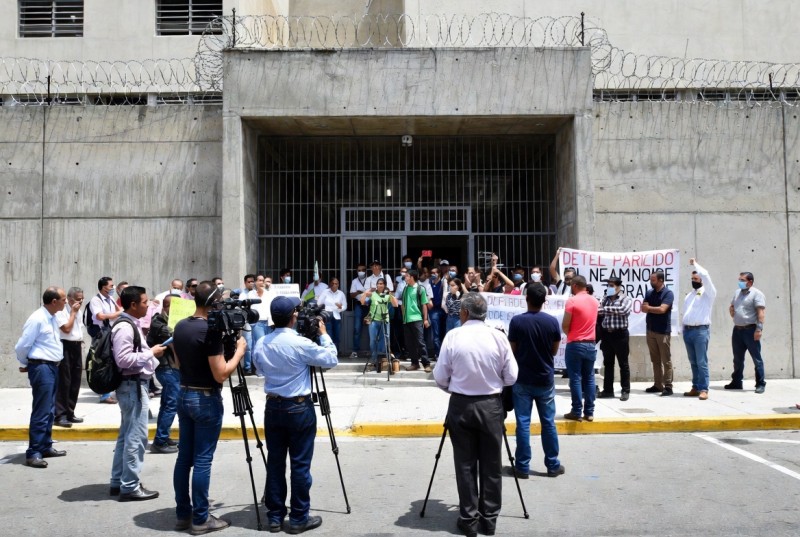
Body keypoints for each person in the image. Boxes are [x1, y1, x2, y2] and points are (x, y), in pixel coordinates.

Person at [433, 293, 518, 537]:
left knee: (465, 464)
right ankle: (488, 520)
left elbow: (440, 377)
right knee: (491, 464)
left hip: (461, 405)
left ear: (464, 313)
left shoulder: (453, 336)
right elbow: (512, 376)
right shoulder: (498, 337)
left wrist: (457, 388)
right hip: (490, 405)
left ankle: (468, 519)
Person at [253, 296, 339, 534]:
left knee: (275, 463)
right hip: (299, 408)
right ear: (293, 317)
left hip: (273, 408)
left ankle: (274, 516)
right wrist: (322, 333)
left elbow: (259, 371)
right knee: (300, 465)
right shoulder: (301, 343)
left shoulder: (261, 343)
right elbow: (331, 359)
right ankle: (299, 518)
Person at [172, 281, 246, 534]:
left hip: (184, 394)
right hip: (205, 398)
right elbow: (221, 374)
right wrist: (238, 352)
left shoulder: (181, 325)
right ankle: (201, 518)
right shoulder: (210, 331)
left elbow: (176, 361)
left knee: (184, 458)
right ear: (214, 302)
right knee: (202, 460)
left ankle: (184, 514)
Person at [109, 286, 166, 501]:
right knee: (136, 437)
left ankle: (118, 481)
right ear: (133, 305)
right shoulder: (125, 327)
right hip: (132, 386)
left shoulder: (129, 324)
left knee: (126, 435)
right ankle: (130, 486)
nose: (148, 305)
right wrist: (151, 353)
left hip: (132, 386)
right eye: (145, 302)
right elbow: (123, 360)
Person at [508, 284, 565, 478]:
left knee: (523, 423)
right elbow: (554, 350)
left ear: (526, 299)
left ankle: (522, 466)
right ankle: (552, 464)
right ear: (544, 301)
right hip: (544, 378)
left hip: (522, 379)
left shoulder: (517, 322)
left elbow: (512, 350)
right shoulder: (551, 322)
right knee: (548, 422)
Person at [15, 287, 68, 468]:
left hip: (51, 367)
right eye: (63, 299)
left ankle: (45, 445)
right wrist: (26, 363)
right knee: (42, 409)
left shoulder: (52, 318)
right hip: (42, 367)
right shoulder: (37, 318)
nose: (66, 301)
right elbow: (22, 345)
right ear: (54, 301)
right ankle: (34, 452)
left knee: (50, 409)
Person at [562, 275, 599, 422]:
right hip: (590, 344)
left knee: (575, 378)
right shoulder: (595, 301)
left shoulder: (572, 301)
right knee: (590, 378)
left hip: (575, 343)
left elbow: (565, 324)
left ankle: (576, 411)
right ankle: (589, 412)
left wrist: (571, 334)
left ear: (576, 285)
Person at [146, 293, 180, 454]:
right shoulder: (159, 322)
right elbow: (173, 339)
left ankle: (163, 436)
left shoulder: (171, 321)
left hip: (171, 368)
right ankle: (159, 441)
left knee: (167, 403)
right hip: (167, 368)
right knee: (171, 404)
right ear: (167, 307)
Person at [726, 271, 767, 393]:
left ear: (750, 282)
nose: (740, 282)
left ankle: (760, 384)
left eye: (742, 280)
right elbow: (732, 306)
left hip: (750, 330)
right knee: (737, 359)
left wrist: (759, 329)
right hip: (737, 330)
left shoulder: (757, 294)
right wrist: (733, 313)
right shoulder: (737, 293)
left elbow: (761, 313)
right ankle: (737, 382)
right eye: (739, 280)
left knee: (756, 358)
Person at [682, 259, 717, 400]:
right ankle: (695, 387)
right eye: (692, 278)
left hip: (700, 331)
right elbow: (686, 314)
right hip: (688, 331)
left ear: (702, 280)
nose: (693, 281)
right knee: (693, 361)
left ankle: (704, 389)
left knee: (702, 361)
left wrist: (696, 264)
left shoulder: (708, 293)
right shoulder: (690, 295)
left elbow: (706, 275)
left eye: (696, 278)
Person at [597, 277, 633, 401]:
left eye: (611, 285)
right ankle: (608, 390)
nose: (609, 287)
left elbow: (624, 310)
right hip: (607, 335)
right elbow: (599, 311)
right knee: (608, 363)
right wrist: (610, 310)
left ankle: (625, 390)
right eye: (608, 285)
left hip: (620, 335)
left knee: (623, 364)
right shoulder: (605, 299)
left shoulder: (625, 298)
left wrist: (607, 309)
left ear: (618, 287)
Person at [54, 286, 85, 428]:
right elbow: (66, 329)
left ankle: (70, 412)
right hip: (65, 346)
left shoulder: (78, 310)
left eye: (82, 298)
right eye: (78, 299)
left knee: (75, 381)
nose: (81, 301)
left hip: (77, 346)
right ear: (70, 299)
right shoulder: (62, 311)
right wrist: (73, 312)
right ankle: (60, 415)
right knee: (64, 381)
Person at [90, 276, 123, 404]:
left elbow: (118, 311)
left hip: (110, 332)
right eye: (111, 286)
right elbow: (100, 315)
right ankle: (104, 394)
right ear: (103, 287)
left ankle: (109, 389)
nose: (113, 288)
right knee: (103, 362)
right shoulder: (95, 300)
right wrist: (118, 314)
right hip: (101, 335)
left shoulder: (110, 299)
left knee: (111, 361)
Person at [642, 270, 675, 396]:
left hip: (662, 331)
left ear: (661, 280)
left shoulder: (668, 293)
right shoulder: (649, 292)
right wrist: (650, 309)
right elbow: (643, 308)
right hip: (650, 330)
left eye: (653, 280)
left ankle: (668, 386)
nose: (651, 282)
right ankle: (658, 384)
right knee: (655, 360)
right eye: (651, 279)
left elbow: (662, 309)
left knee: (665, 360)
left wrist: (650, 308)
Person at [360, 278, 398, 372]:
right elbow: (362, 302)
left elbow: (396, 305)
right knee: (373, 340)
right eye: (378, 283)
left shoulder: (386, 295)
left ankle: (382, 360)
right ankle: (373, 360)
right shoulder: (373, 295)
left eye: (381, 284)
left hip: (385, 320)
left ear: (384, 285)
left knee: (385, 339)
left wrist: (390, 294)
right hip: (373, 320)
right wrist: (366, 292)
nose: (380, 285)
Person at [401, 270, 432, 372]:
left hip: (417, 318)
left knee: (420, 342)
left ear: (412, 277)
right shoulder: (405, 289)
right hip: (407, 320)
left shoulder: (420, 289)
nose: (405, 278)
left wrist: (425, 319)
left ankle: (426, 363)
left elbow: (424, 305)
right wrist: (403, 317)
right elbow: (403, 305)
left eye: (407, 276)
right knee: (410, 343)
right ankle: (414, 363)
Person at [317, 277, 347, 352]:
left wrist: (340, 307)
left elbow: (345, 306)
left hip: (336, 315)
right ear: (330, 284)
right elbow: (319, 303)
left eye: (336, 283)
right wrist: (324, 308)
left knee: (336, 334)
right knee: (329, 333)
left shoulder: (341, 294)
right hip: (327, 316)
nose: (334, 285)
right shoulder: (325, 292)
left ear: (338, 285)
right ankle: (329, 351)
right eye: (332, 283)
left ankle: (336, 351)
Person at [349, 262, 369, 358]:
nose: (361, 272)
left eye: (363, 270)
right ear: (357, 271)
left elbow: (373, 292)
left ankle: (372, 350)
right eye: (359, 270)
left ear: (365, 271)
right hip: (358, 305)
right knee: (357, 328)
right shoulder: (354, 281)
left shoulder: (369, 280)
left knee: (371, 328)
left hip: (369, 305)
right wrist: (358, 292)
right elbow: (351, 295)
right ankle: (355, 350)